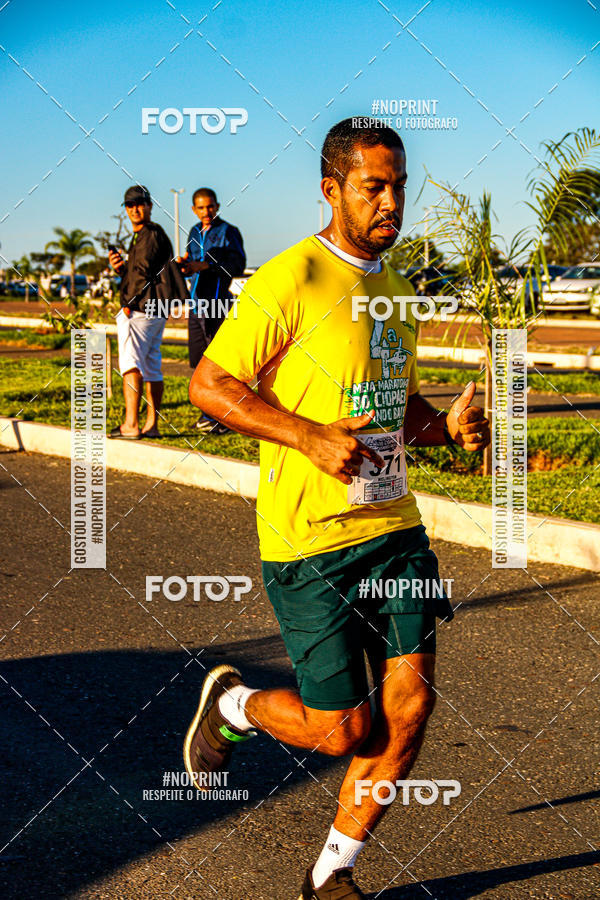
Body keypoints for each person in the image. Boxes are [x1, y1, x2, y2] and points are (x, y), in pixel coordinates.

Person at [184, 119, 490, 899]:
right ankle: (236, 704)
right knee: (342, 730)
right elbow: (210, 386)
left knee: (409, 709)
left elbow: (396, 405)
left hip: (394, 533)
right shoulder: (292, 279)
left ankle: (332, 876)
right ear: (332, 190)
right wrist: (308, 437)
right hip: (308, 540)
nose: (391, 203)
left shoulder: (395, 292)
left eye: (398, 186)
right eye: (373, 188)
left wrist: (443, 428)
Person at [108, 184, 188, 440]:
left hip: (139, 310)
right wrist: (122, 269)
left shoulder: (148, 234)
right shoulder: (150, 235)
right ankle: (151, 425)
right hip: (155, 308)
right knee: (152, 366)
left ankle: (131, 424)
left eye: (140, 203)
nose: (135, 209)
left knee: (131, 363)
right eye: (130, 205)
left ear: (150, 206)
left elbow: (141, 272)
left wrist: (127, 303)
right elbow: (142, 272)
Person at [180, 187, 246, 434]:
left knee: (218, 364)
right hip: (196, 304)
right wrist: (187, 266)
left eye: (210, 206)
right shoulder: (194, 232)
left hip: (217, 304)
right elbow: (193, 261)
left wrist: (207, 265)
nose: (206, 212)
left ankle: (224, 418)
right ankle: (207, 414)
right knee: (198, 363)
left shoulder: (229, 232)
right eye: (201, 207)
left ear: (217, 206)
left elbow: (238, 264)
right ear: (193, 209)